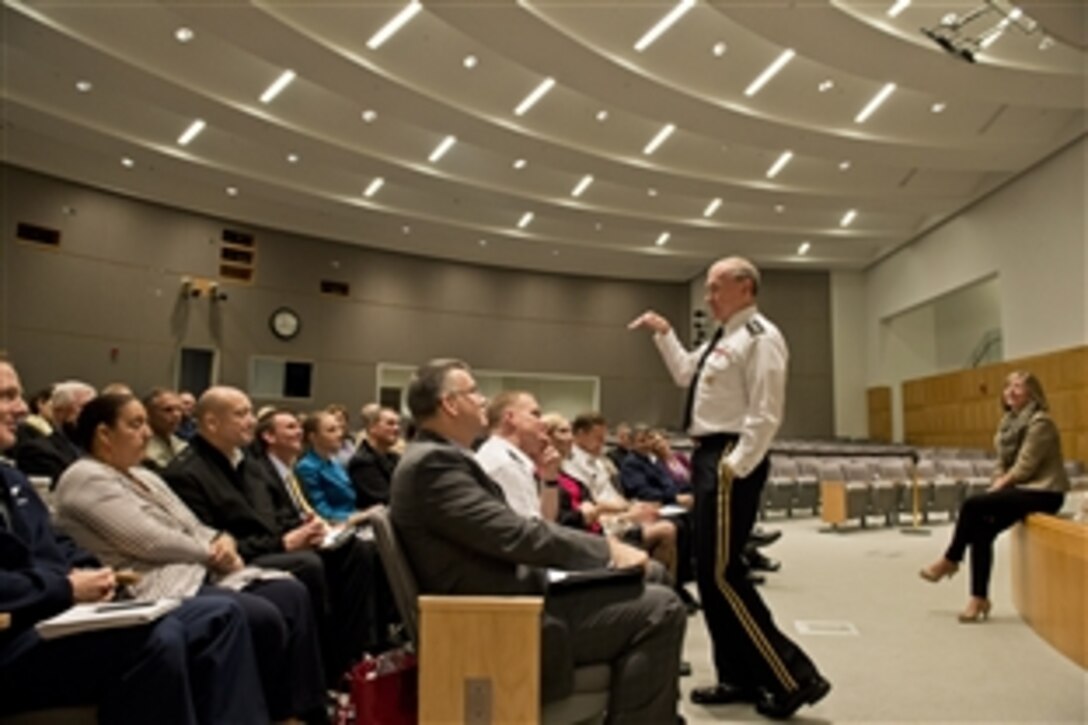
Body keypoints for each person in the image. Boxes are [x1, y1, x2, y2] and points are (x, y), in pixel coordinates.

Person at [390, 359, 686, 721]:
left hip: (511, 594)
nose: (483, 399)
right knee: (662, 608)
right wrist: (607, 549)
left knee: (651, 576)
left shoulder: (442, 458)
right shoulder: (433, 465)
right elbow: (515, 533)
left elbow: (513, 530)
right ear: (450, 404)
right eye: (473, 392)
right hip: (499, 618)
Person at [0, 358, 268, 724]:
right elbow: (148, 540)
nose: (21, 407)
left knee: (220, 615)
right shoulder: (83, 477)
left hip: (51, 610)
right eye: (7, 396)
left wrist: (92, 571)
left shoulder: (9, 476)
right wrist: (63, 585)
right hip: (15, 633)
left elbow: (52, 543)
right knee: (159, 636)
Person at [630, 256, 830, 718]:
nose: (708, 296)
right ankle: (737, 677)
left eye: (716, 287)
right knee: (710, 573)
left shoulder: (761, 338)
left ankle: (792, 678)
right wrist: (663, 332)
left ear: (745, 287)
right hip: (707, 457)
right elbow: (684, 373)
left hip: (727, 457)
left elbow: (766, 410)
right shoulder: (722, 339)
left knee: (722, 574)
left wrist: (735, 466)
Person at [52, 393, 327, 722]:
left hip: (192, 569)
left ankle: (299, 711)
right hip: (148, 583)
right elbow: (149, 541)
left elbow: (191, 524)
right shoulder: (84, 477)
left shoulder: (146, 475)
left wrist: (220, 539)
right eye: (135, 424)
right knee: (260, 614)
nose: (147, 433)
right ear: (103, 434)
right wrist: (212, 552)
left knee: (290, 592)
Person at [920, 371, 1069, 622]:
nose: (1011, 391)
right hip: (1019, 490)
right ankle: (979, 599)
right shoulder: (1007, 424)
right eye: (1007, 386)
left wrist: (998, 487)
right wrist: (997, 483)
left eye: (1018, 386)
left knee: (971, 505)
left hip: (1044, 492)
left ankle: (951, 559)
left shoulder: (1040, 423)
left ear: (1032, 392)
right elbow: (1001, 463)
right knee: (980, 530)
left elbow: (1026, 466)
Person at [474, 391, 560, 521]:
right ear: (510, 418)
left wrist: (550, 479)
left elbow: (545, 521)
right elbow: (530, 535)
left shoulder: (503, 456)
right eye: (535, 414)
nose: (544, 424)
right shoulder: (506, 464)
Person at [14, 380, 95, 484]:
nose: (93, 415)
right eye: (84, 408)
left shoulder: (98, 449)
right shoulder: (38, 451)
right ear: (59, 412)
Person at [296, 410, 358, 522]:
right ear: (313, 437)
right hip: (334, 528)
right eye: (331, 430)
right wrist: (357, 517)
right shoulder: (307, 467)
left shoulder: (334, 461)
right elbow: (321, 512)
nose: (340, 434)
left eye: (339, 429)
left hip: (350, 520)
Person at [347, 406, 402, 509]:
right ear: (372, 428)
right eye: (390, 423)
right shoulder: (362, 462)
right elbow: (385, 499)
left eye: (398, 424)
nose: (397, 428)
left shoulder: (394, 457)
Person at [142, 387, 188, 471]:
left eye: (179, 409)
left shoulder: (183, 446)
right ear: (148, 413)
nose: (176, 415)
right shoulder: (140, 448)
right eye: (168, 410)